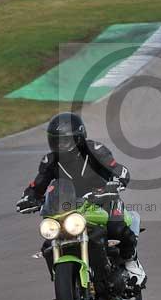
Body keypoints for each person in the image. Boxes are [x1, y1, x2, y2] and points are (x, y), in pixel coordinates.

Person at [16, 112, 145, 286]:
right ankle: (67, 282)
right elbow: (37, 185)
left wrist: (116, 181)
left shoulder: (95, 151)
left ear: (78, 138)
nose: (60, 145)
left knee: (117, 227)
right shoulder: (51, 161)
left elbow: (118, 170)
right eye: (56, 141)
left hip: (103, 201)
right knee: (48, 242)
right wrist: (28, 198)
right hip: (70, 208)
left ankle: (132, 264)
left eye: (65, 140)